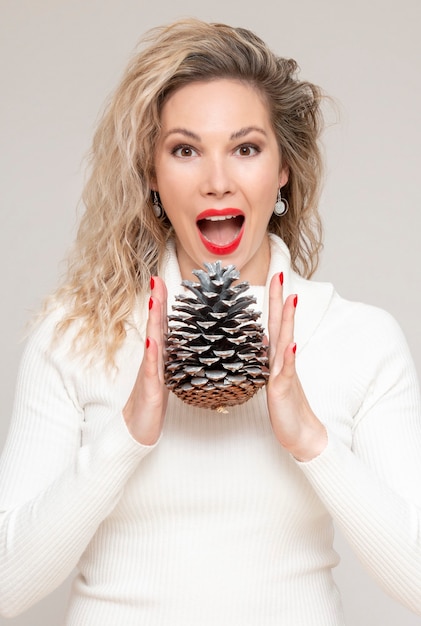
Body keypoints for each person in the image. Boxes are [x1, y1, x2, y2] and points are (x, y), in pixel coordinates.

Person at [0, 17, 420, 626]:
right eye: (185, 150)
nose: (217, 181)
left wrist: (312, 441)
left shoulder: (358, 339)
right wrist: (126, 440)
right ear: (150, 173)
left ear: (283, 170)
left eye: (245, 148)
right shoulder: (77, 336)